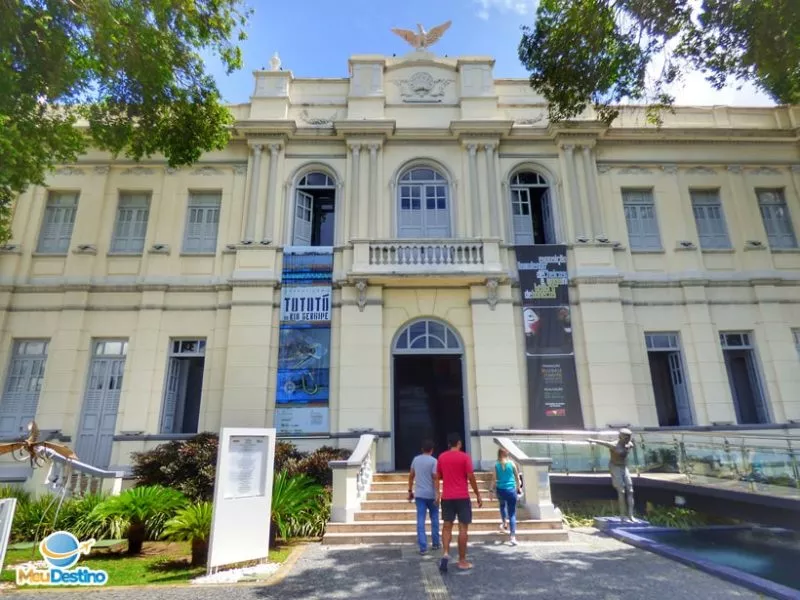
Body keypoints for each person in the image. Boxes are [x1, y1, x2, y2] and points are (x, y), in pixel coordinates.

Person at [435, 432, 483, 573]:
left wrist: (437, 493)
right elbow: (471, 477)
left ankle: (445, 553)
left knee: (446, 526)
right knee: (463, 529)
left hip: (447, 497)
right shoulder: (465, 457)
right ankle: (462, 560)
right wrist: (478, 494)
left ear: (449, 444)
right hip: (462, 497)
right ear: (459, 443)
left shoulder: (442, 457)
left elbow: (437, 477)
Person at [588, 428, 637, 521]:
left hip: (624, 467)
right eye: (626, 437)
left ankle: (631, 515)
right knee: (621, 490)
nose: (628, 439)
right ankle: (622, 515)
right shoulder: (614, 445)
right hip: (615, 467)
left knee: (630, 490)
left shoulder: (629, 444)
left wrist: (629, 445)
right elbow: (602, 442)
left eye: (629, 437)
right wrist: (592, 440)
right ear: (621, 437)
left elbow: (632, 445)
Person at [408, 439, 440, 554]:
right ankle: (436, 543)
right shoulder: (434, 461)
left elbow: (411, 476)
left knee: (420, 520)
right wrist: (438, 494)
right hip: (431, 494)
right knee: (434, 519)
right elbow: (435, 478)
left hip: (420, 494)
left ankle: (423, 547)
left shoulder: (416, 460)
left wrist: (410, 490)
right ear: (432, 450)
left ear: (422, 449)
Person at [489, 448, 521, 545]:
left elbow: (494, 479)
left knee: (502, 506)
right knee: (512, 514)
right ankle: (512, 537)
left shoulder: (496, 465)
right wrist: (518, 487)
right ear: (507, 454)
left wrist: (491, 490)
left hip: (500, 490)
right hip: (511, 490)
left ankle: (504, 522)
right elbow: (517, 477)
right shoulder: (512, 464)